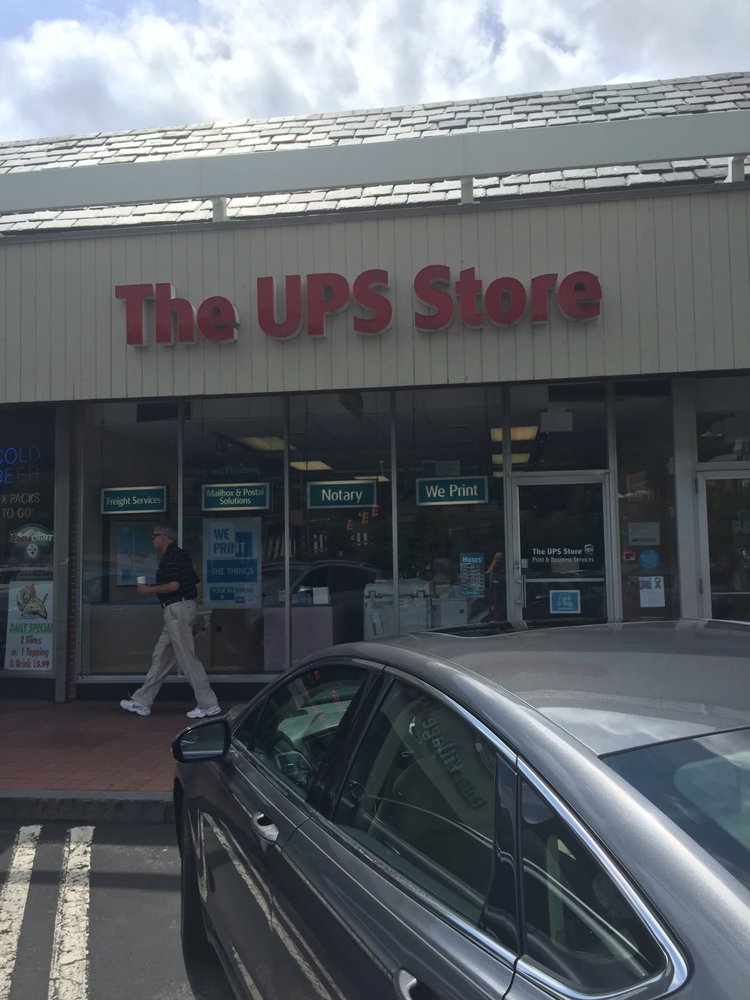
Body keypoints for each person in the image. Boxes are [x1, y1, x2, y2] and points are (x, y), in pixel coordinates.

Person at [120, 524, 221, 719]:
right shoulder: (180, 555)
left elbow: (174, 585)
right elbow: (197, 584)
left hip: (176, 610)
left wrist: (149, 589)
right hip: (179, 610)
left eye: (154, 536)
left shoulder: (172, 557)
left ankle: (209, 704)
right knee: (162, 655)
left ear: (164, 537)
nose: (152, 539)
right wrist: (192, 606)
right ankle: (142, 700)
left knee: (186, 658)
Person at [485, 550, 506, 621]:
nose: (496, 561)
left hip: (503, 594)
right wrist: (493, 565)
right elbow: (486, 576)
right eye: (495, 558)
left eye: (498, 559)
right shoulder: (491, 566)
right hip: (492, 592)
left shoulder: (505, 567)